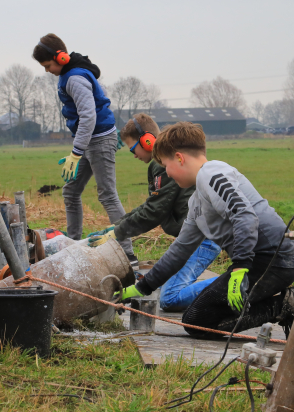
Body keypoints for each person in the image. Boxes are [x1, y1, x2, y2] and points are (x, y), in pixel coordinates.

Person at [118, 121, 294, 336]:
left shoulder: (212, 174)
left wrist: (239, 269)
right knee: (197, 318)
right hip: (259, 262)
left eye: (166, 165)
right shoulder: (197, 201)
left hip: (274, 261)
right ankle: (278, 303)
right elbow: (180, 250)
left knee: (197, 320)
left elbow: (244, 215)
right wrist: (142, 287)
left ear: (179, 158)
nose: (167, 172)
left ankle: (286, 304)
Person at [88, 113, 222, 311]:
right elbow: (152, 204)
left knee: (170, 298)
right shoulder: (161, 164)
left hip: (202, 239)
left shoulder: (162, 165)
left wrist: (117, 233)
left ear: (147, 140)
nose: (133, 154)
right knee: (159, 285)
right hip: (192, 237)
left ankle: (233, 284)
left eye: (133, 148)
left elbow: (154, 211)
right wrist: (116, 227)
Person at [32, 33, 137, 266]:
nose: (47, 70)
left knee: (107, 194)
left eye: (48, 65)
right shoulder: (71, 72)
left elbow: (88, 116)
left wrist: (76, 152)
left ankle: (128, 254)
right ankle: (72, 246)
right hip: (90, 140)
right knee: (70, 191)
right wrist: (79, 149)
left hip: (98, 141)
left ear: (59, 57)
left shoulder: (75, 79)